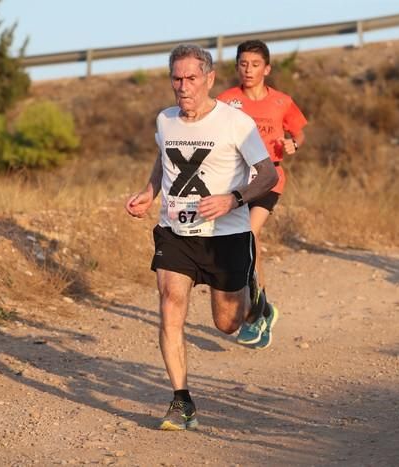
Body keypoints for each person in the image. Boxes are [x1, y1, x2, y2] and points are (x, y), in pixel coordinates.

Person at [125, 43, 278, 431]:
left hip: (226, 236)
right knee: (170, 304)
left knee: (226, 324)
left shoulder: (234, 123)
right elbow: (163, 158)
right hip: (176, 233)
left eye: (191, 77)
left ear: (209, 79)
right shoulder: (165, 120)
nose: (183, 86)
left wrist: (234, 199)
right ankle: (181, 400)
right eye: (176, 78)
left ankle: (255, 302)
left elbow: (268, 175)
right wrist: (150, 190)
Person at [218, 40, 307, 348]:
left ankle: (257, 315)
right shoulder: (226, 101)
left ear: (267, 69)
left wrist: (293, 144)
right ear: (236, 67)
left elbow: (298, 133)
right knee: (241, 243)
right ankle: (265, 310)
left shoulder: (282, 101)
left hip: (269, 178)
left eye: (255, 65)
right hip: (236, 181)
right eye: (243, 64)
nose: (248, 70)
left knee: (248, 234)